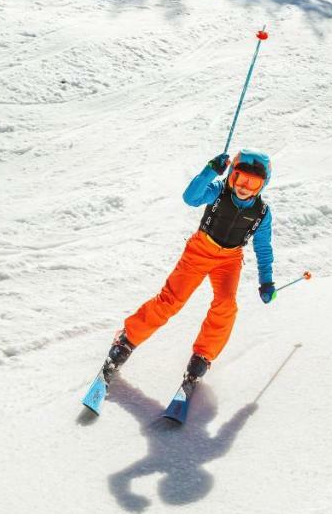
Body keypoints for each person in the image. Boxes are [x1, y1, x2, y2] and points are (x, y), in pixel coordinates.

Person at [103, 149, 276, 387]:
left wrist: (266, 281)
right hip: (200, 250)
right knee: (171, 300)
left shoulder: (262, 213)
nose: (244, 186)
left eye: (253, 182)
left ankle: (203, 356)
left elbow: (263, 248)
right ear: (231, 175)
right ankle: (126, 339)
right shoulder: (218, 190)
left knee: (226, 306)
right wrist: (210, 171)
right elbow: (191, 198)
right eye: (239, 178)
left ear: (263, 184)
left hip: (229, 260)